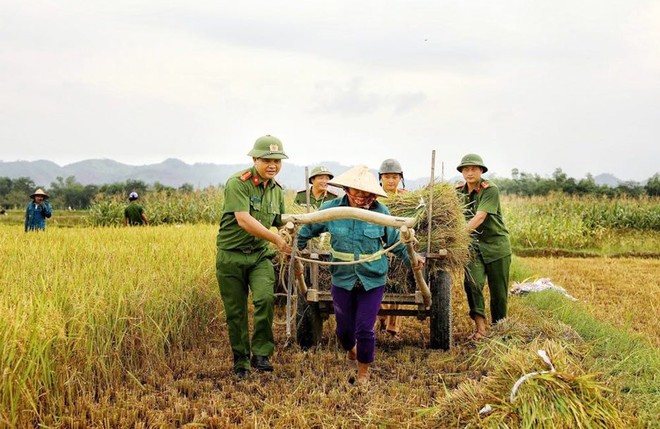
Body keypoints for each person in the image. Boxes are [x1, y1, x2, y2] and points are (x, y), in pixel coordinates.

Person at [297, 165, 424, 384]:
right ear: (346, 189)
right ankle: (350, 349)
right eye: (355, 192)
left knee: (365, 328)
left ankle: (363, 373)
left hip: (372, 277)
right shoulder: (331, 210)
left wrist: (413, 259)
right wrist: (290, 246)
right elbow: (306, 231)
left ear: (373, 194)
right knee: (344, 331)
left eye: (365, 194)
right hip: (342, 277)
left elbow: (395, 241)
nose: (359, 197)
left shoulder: (381, 212)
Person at [215, 135, 292, 379]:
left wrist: (290, 230)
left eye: (277, 160)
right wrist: (276, 240)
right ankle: (241, 361)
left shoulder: (277, 190)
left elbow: (279, 220)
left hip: (260, 257)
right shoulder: (238, 183)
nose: (273, 165)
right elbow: (244, 219)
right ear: (255, 158)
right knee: (236, 312)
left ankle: (261, 353)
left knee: (265, 300)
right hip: (231, 257)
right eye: (267, 160)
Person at [455, 154, 511, 340]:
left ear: (481, 171)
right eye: (466, 169)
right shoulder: (457, 191)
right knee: (472, 284)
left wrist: (457, 235)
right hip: (473, 247)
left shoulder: (490, 189)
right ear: (462, 172)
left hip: (496, 246)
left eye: (474, 169)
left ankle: (499, 328)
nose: (469, 172)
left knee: (499, 292)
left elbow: (479, 217)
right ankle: (481, 329)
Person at [376, 158, 409, 338]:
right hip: (377, 245)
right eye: (387, 177)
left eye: (394, 177)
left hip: (399, 246)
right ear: (380, 178)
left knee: (399, 284)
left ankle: (393, 327)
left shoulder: (407, 198)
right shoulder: (373, 197)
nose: (391, 181)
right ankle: (380, 317)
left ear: (400, 178)